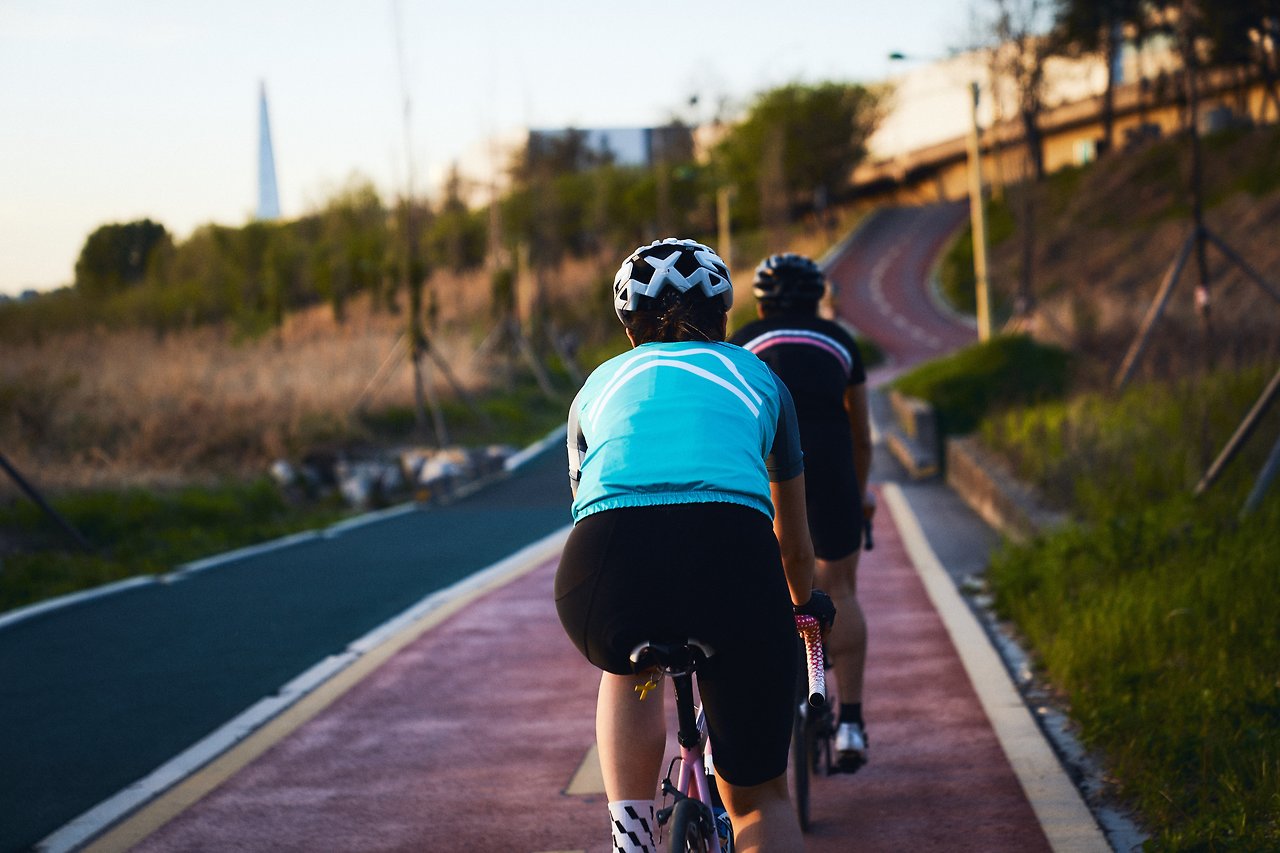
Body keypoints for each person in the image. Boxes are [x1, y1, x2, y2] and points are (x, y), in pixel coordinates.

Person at [555, 238, 834, 853]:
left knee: (628, 664)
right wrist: (802, 605)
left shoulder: (595, 387)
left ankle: (631, 835)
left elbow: (589, 503)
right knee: (760, 800)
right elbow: (793, 543)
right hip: (731, 559)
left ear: (628, 328)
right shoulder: (760, 378)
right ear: (723, 317)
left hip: (603, 567)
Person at [729, 253, 875, 772]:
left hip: (769, 472)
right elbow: (861, 434)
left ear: (760, 304)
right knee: (841, 589)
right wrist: (859, 493)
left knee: (768, 593)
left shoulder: (741, 344)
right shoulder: (840, 341)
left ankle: (776, 709)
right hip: (832, 469)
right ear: (816, 299)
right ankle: (850, 723)